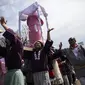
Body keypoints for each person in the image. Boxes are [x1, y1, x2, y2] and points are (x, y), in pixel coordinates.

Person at [0, 17, 24, 85]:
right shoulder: (8, 49)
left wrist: (3, 24)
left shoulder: (19, 45)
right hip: (8, 73)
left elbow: (13, 35)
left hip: (16, 73)